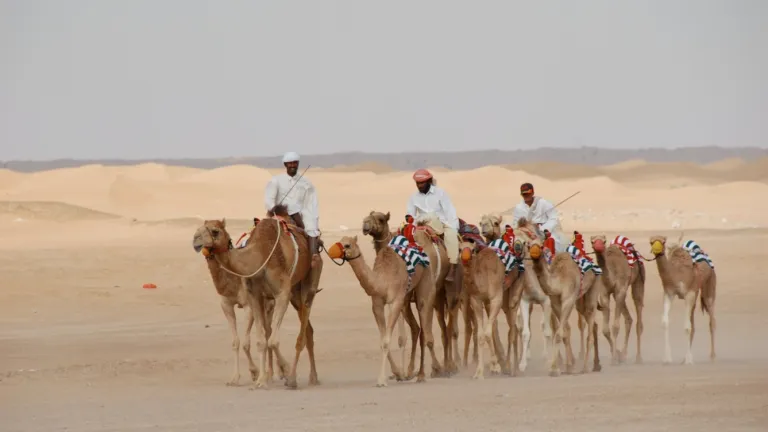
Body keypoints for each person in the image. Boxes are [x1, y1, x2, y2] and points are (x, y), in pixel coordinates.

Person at [264, 151, 321, 261]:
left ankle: (313, 258)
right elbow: (269, 201)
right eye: (290, 163)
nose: (292, 165)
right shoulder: (276, 180)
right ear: (285, 164)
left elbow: (311, 203)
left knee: (312, 228)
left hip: (302, 214)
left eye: (295, 163)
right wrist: (276, 210)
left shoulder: (306, 183)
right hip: (280, 213)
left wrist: (312, 219)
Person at [405, 168, 460, 282]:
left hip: (441, 223)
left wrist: (453, 227)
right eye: (418, 183)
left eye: (422, 183)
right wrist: (408, 217)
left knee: (451, 236)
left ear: (429, 181)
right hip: (421, 224)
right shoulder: (413, 197)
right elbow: (410, 214)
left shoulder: (440, 193)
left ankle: (453, 267)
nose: (419, 185)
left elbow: (450, 211)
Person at [511, 182, 568, 253]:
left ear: (532, 193)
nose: (526, 196)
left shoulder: (544, 203)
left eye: (528, 193)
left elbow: (553, 218)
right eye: (524, 194)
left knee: (554, 243)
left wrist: (542, 228)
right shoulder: (518, 207)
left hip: (544, 232)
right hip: (526, 233)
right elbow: (515, 223)